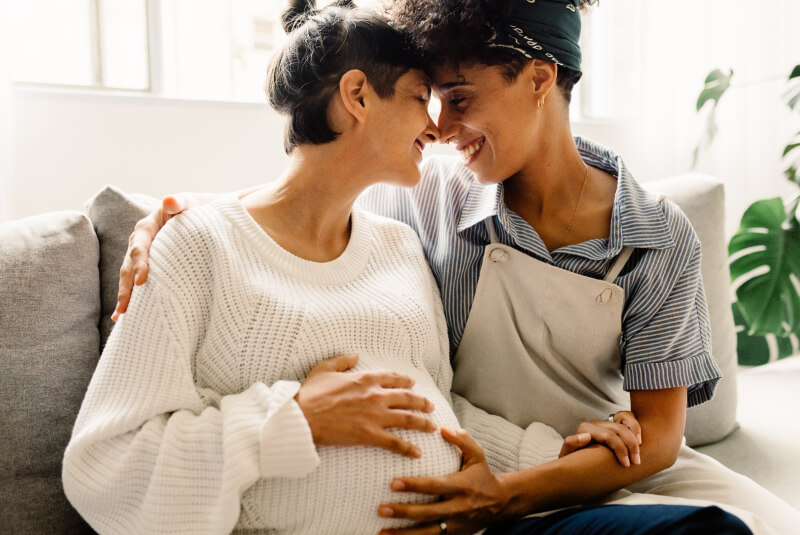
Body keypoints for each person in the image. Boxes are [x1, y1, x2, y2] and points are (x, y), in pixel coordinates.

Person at [106, 0, 777, 534]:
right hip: (483, 481)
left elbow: (656, 442)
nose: (440, 126)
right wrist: (182, 214)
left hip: (598, 467)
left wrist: (509, 490)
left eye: (458, 97)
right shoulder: (425, 196)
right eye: (430, 101)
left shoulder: (657, 238)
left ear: (540, 78)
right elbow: (311, 189)